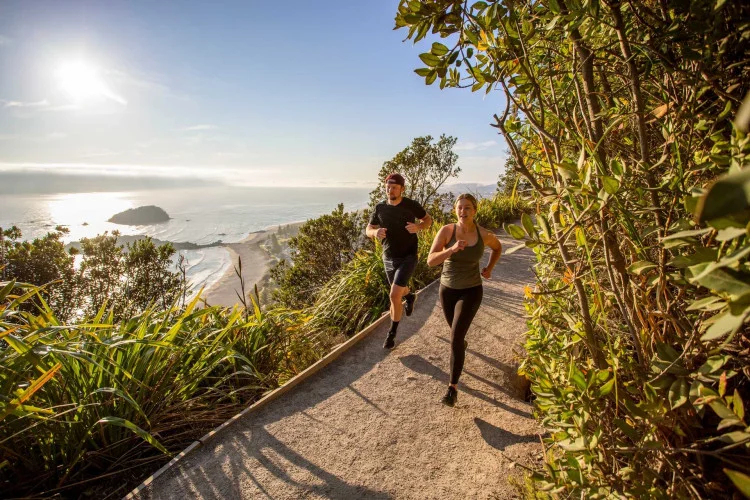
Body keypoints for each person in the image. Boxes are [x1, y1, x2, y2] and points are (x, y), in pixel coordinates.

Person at [427, 193, 502, 407]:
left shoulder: (483, 234)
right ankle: (461, 343)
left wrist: (489, 268)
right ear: (455, 210)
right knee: (457, 337)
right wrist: (451, 249)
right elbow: (431, 261)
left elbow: (497, 248)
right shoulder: (447, 231)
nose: (463, 211)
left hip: (471, 290)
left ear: (475, 211)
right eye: (459, 208)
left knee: (455, 338)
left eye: (467, 207)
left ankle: (452, 388)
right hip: (447, 290)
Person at [366, 173, 432, 349]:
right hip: (388, 257)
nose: (390, 190)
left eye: (394, 187)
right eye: (388, 186)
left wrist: (418, 227)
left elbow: (428, 220)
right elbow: (369, 228)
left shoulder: (411, 205)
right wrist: (375, 233)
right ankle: (410, 296)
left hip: (409, 256)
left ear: (402, 189)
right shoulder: (380, 207)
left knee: (394, 295)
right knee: (400, 291)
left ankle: (391, 334)